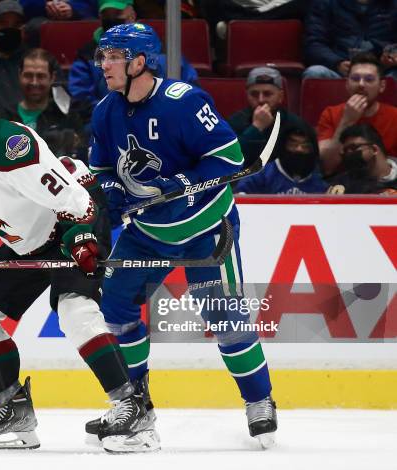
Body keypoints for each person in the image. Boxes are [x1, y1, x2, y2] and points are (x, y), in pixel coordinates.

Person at [0, 75, 155, 453]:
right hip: (27, 239)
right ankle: (14, 411)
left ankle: (132, 410)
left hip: (73, 218)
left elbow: (79, 204)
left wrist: (81, 240)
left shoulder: (14, 148)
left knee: (75, 312)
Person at [87, 23, 277, 449]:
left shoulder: (184, 103)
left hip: (207, 229)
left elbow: (229, 160)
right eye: (104, 56)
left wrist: (185, 182)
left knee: (223, 315)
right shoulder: (105, 111)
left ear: (139, 62)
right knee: (115, 311)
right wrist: (113, 190)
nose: (105, 65)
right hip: (148, 231)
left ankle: (259, 400)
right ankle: (137, 402)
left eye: (114, 56)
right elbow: (100, 167)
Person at [68, 0, 198, 126]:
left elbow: (189, 89)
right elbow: (81, 101)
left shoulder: (161, 51)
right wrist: (118, 115)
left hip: (162, 124)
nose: (112, 21)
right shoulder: (87, 55)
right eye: (107, 16)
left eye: (117, 15)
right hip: (110, 125)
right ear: (100, 17)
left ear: (132, 16)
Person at [317, 53, 397, 175]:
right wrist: (346, 121)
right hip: (341, 184)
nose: (361, 84)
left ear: (382, 86)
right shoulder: (330, 114)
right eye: (355, 79)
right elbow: (328, 167)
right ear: (347, 84)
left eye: (369, 79)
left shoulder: (394, 116)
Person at [2, 48, 85, 159]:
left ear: (52, 77)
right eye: (28, 75)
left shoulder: (68, 117)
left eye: (41, 76)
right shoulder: (4, 118)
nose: (34, 82)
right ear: (19, 75)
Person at [228, 66, 306, 167]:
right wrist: (256, 128)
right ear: (247, 95)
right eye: (254, 94)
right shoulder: (234, 122)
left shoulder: (296, 124)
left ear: (280, 96)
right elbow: (230, 160)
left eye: (267, 94)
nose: (261, 100)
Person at [303, 0, 397, 79]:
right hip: (339, 69)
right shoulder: (326, 3)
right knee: (315, 73)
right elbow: (314, 44)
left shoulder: (393, 5)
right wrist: (337, 63)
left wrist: (391, 56)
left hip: (382, 71)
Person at [236, 121, 328, 194]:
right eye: (293, 144)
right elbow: (240, 194)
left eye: (305, 146)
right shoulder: (263, 175)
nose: (299, 149)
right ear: (283, 146)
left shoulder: (318, 179)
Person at [327, 124, 397, 194]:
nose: (349, 153)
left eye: (353, 148)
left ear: (374, 149)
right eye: (346, 150)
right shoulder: (342, 184)